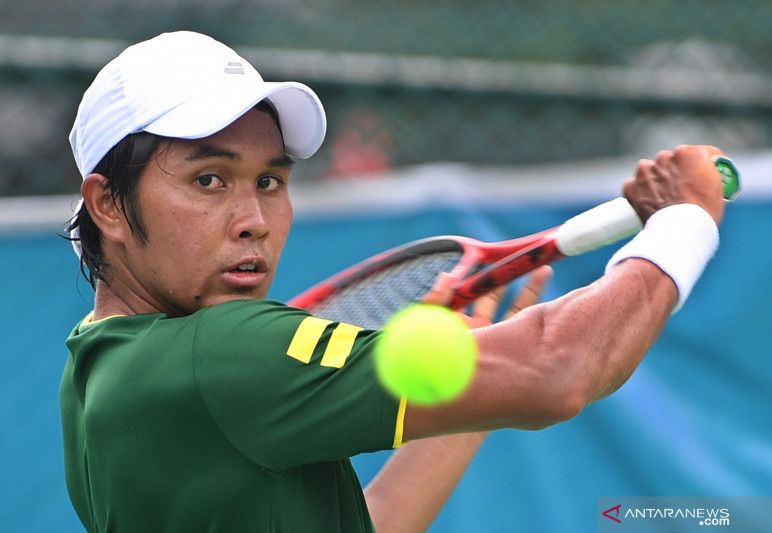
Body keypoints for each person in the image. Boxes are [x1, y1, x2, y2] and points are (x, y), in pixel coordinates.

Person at [60, 31, 726, 533]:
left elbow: (371, 521)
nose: (254, 220)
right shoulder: (218, 354)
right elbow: (560, 366)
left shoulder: (93, 370)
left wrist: (472, 386)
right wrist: (687, 220)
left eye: (270, 180)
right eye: (209, 180)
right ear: (108, 204)